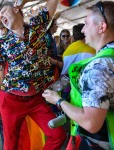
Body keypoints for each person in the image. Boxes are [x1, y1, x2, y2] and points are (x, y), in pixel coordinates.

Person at [0, 0, 66, 150]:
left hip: (36, 100)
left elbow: (53, 2)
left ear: (16, 10)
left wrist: (25, 1)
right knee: (11, 145)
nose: (1, 16)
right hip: (10, 101)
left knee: (58, 135)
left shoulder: (36, 27)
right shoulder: (1, 43)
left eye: (3, 12)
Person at [42, 1, 114, 149]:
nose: (82, 31)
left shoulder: (98, 68)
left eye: (86, 24)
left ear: (102, 27)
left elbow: (90, 123)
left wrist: (58, 100)